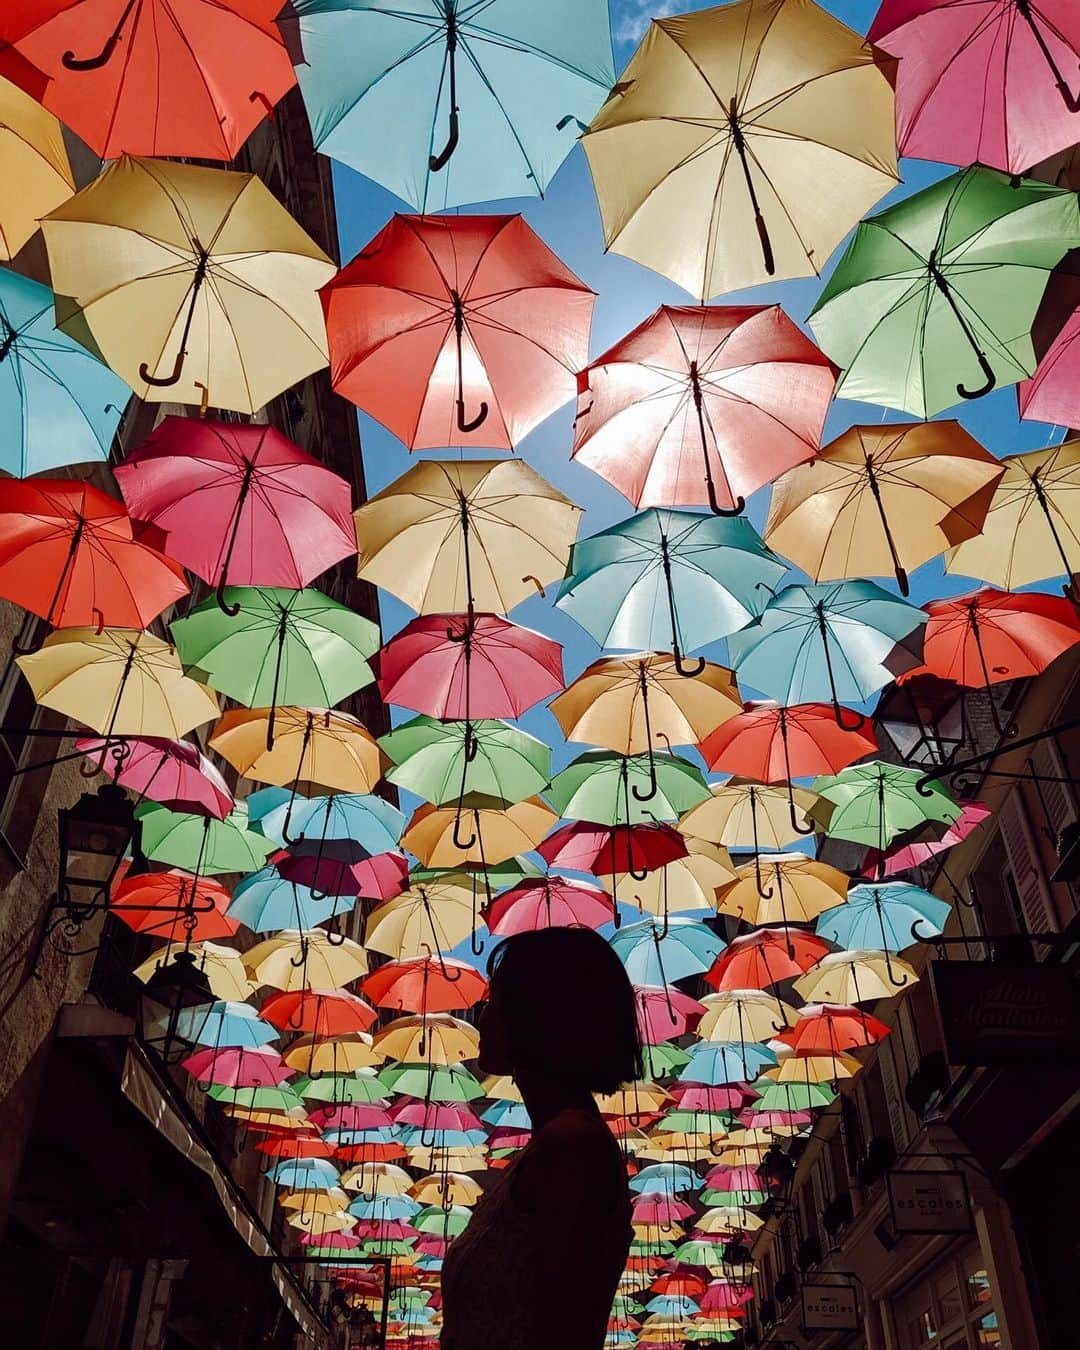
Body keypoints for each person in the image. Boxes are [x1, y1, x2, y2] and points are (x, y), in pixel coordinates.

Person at [440, 926, 642, 1350]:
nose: (482, 1016)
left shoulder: (571, 1147)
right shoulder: (551, 1145)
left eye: (495, 1001)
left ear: (539, 1014)